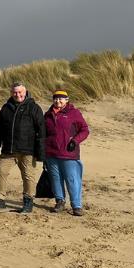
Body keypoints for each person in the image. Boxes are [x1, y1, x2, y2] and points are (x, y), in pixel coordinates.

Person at [0, 82, 45, 214]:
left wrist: (41, 152)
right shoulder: (6, 108)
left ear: (25, 92)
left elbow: (41, 131)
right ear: (11, 93)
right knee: (1, 172)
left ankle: (28, 201)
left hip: (28, 150)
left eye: (20, 92)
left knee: (28, 176)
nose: (17, 94)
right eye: (15, 92)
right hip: (8, 150)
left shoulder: (34, 108)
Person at [43, 89, 90, 217]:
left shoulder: (73, 113)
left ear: (66, 100)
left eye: (61, 99)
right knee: (56, 179)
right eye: (56, 98)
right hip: (51, 153)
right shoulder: (47, 115)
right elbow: (43, 134)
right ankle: (59, 201)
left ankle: (76, 206)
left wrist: (75, 140)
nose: (58, 101)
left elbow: (85, 130)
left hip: (69, 153)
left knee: (72, 180)